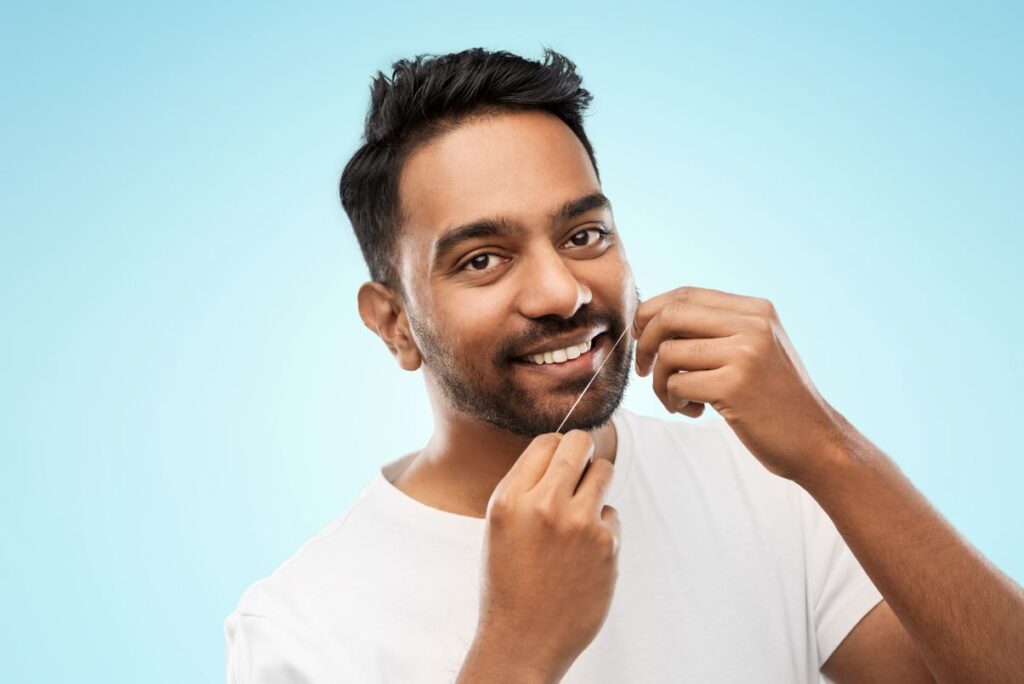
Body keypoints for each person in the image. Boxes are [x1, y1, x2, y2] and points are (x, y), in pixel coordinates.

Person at [224, 47, 1024, 683]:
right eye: (482, 260)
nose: (563, 291)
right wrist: (517, 654)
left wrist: (831, 451)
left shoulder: (765, 481)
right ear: (394, 324)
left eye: (583, 236)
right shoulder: (299, 627)